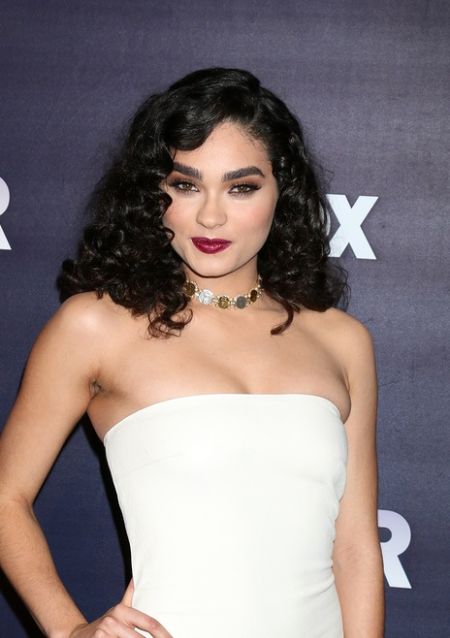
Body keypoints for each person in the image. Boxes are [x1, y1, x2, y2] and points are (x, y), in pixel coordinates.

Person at [0, 67, 385, 637]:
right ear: (153, 192)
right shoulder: (95, 326)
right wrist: (68, 630)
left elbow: (355, 549)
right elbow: (5, 497)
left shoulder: (342, 340)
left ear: (282, 193)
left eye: (241, 187)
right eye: (185, 185)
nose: (211, 215)